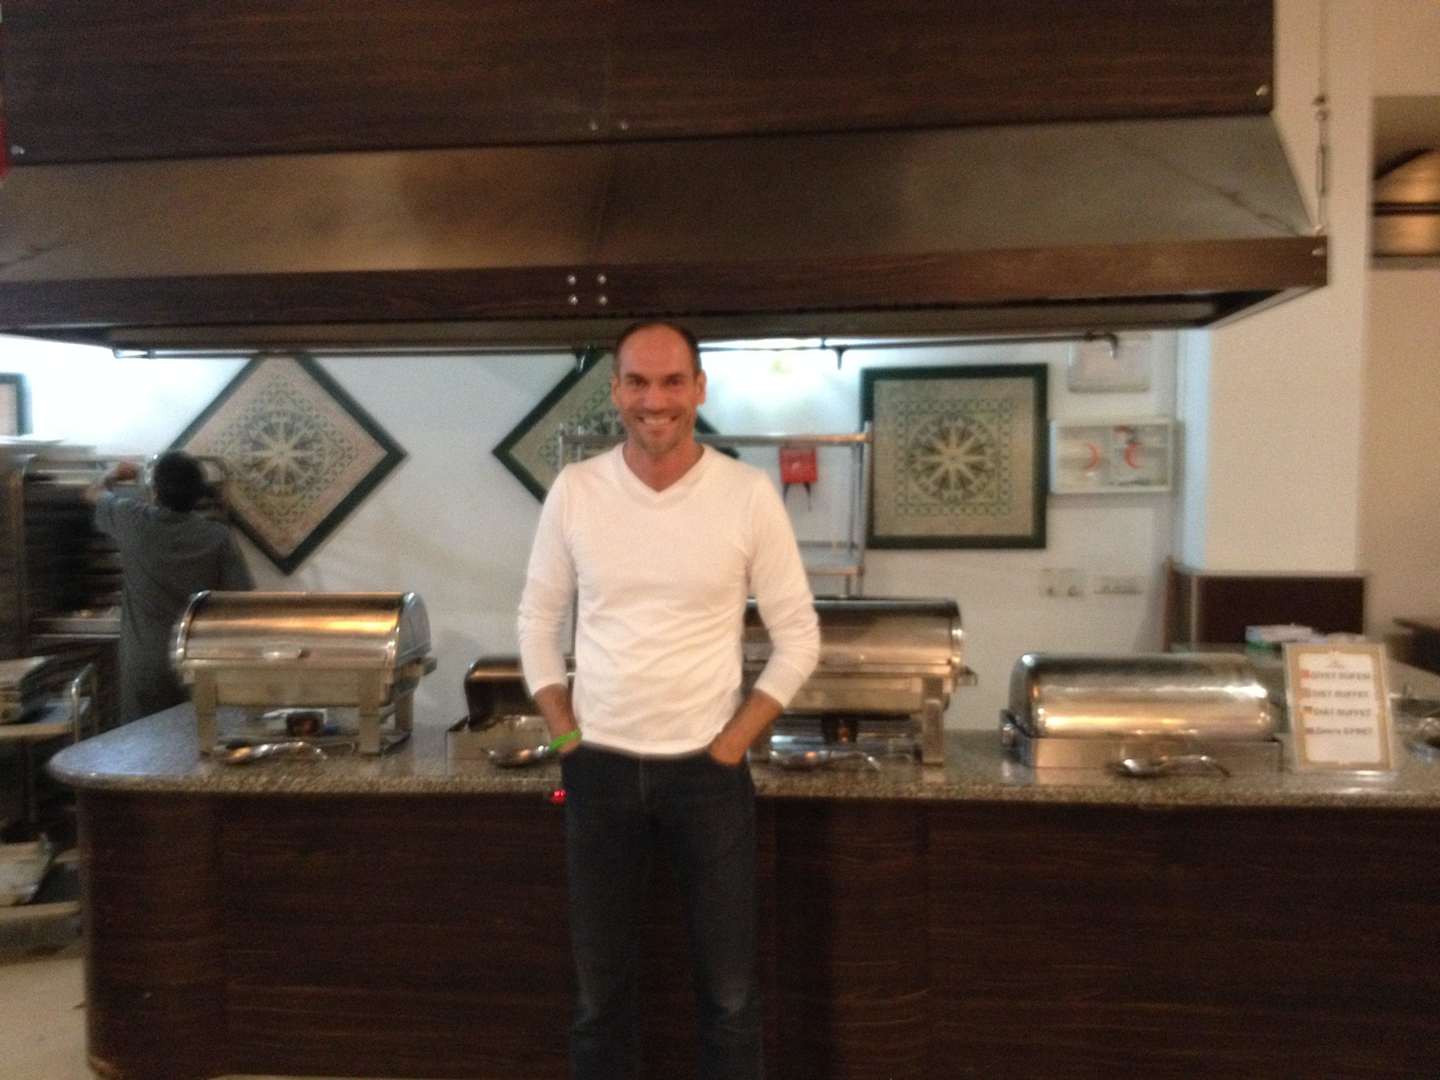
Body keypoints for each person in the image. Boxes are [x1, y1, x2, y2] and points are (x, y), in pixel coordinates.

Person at [518, 321, 820, 1080]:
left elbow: (799, 638)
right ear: (615, 391)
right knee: (598, 998)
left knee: (730, 996)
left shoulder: (746, 495)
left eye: (672, 381)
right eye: (638, 382)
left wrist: (730, 745)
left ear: (699, 389)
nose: (655, 400)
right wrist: (566, 737)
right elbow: (536, 621)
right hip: (599, 769)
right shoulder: (577, 490)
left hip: (707, 776)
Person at [86, 451, 254, 723]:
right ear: (198, 495)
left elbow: (92, 492)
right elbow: (242, 601)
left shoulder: (132, 519)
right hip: (196, 660)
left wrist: (115, 473)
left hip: (144, 662)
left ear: (154, 491)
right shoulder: (218, 537)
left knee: (142, 738)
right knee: (195, 735)